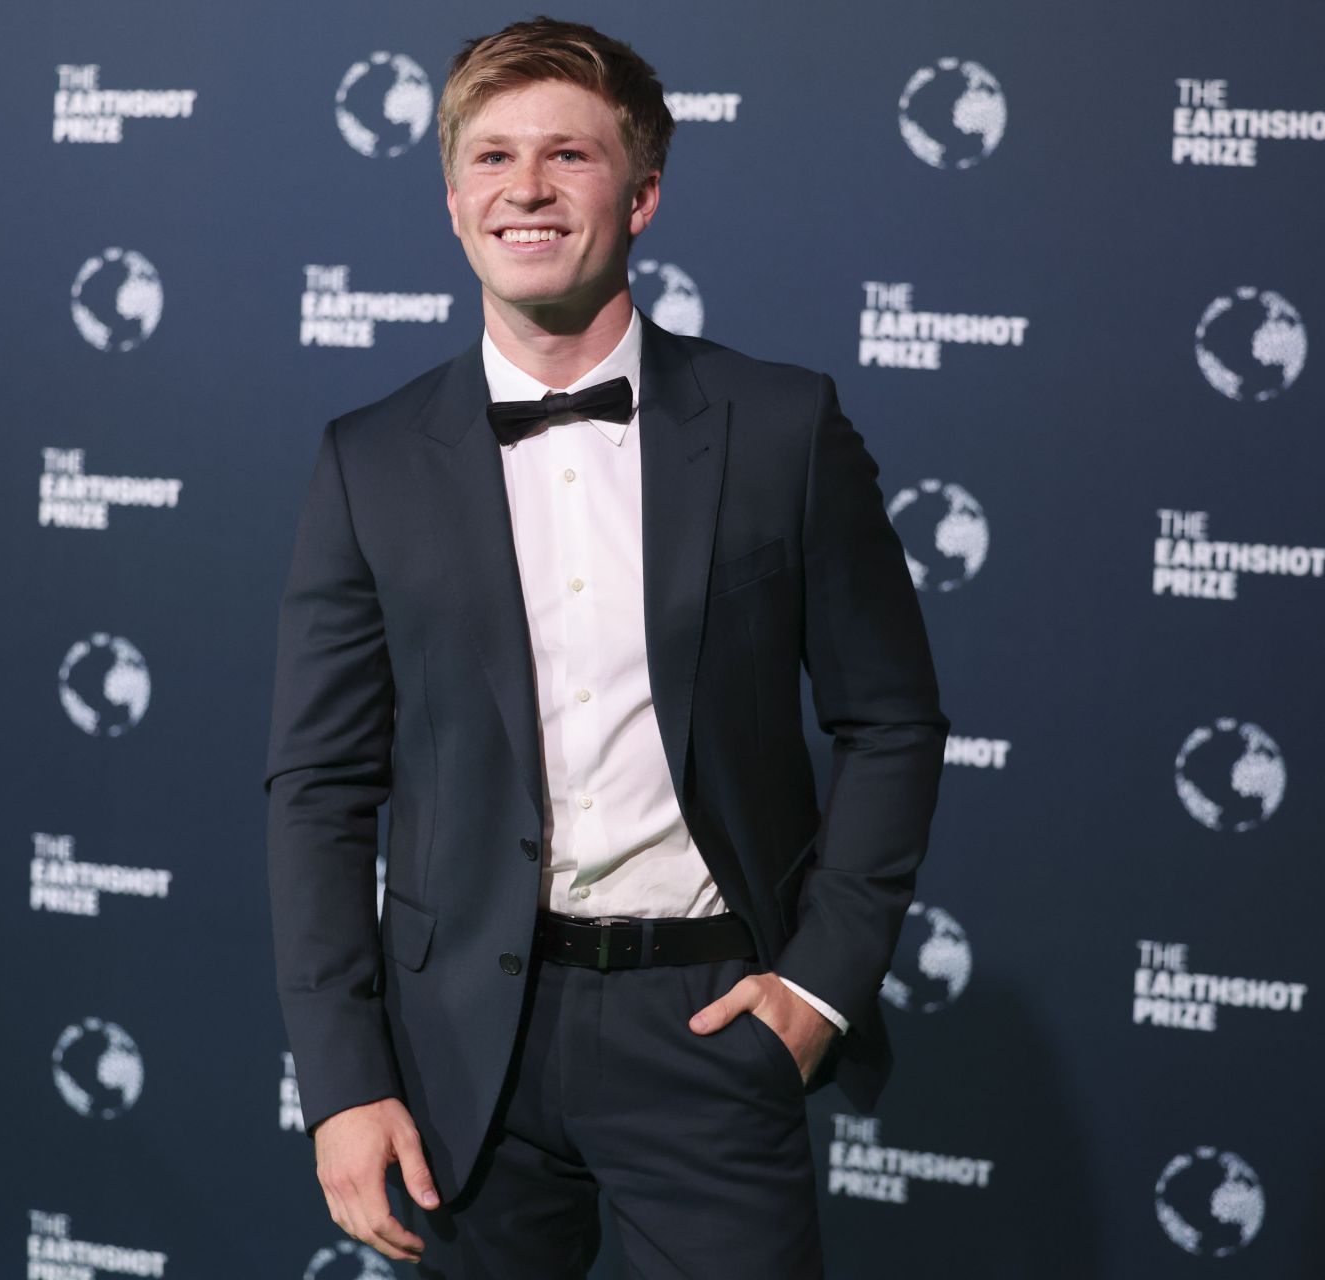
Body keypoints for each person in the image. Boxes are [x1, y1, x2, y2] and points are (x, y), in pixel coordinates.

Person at [264, 15, 948, 1276]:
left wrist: (818, 986)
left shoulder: (782, 426)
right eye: (492, 157)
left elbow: (893, 719)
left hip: (706, 1023)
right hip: (461, 1044)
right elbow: (319, 788)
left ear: (640, 196)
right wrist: (342, 1076)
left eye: (568, 156)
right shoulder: (365, 462)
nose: (525, 187)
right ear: (453, 200)